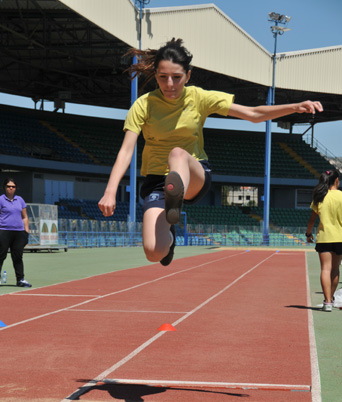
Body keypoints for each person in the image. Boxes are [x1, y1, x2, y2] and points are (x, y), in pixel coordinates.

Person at [99, 38, 323, 266]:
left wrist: (293, 107)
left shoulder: (199, 98)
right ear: (155, 74)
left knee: (177, 153)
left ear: (188, 75)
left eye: (177, 77)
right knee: (152, 252)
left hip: (194, 172)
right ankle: (170, 235)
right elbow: (126, 151)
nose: (169, 84)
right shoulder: (143, 104)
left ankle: (173, 202)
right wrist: (110, 191)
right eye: (162, 77)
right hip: (157, 182)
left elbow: (253, 113)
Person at [306, 169, 342, 311]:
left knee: (325, 269)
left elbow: (311, 221)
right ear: (336, 181)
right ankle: (331, 298)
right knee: (335, 269)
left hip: (324, 237)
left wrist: (308, 234)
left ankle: (327, 302)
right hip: (340, 237)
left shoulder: (320, 197)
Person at [0, 177, 32, 287]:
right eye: (8, 186)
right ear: (4, 187)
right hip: (4, 231)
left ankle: (20, 279)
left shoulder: (20, 200)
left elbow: (25, 217)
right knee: (1, 255)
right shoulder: (1, 199)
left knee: (17, 256)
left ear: (16, 188)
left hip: (19, 232)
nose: (11, 188)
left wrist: (26, 231)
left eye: (13, 187)